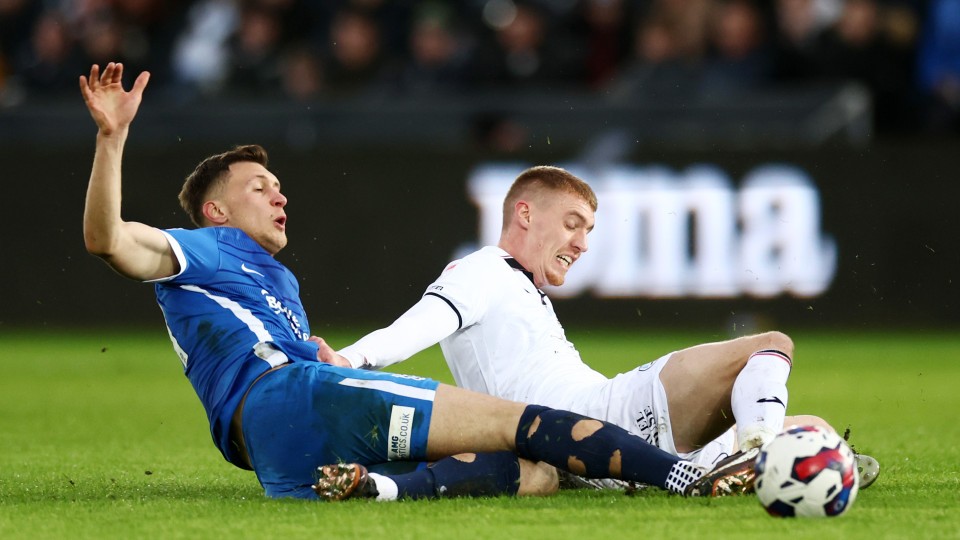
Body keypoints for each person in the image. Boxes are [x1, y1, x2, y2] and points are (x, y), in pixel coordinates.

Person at [78, 62, 763, 502]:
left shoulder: (269, 282)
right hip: (299, 399)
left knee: (535, 474)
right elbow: (108, 240)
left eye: (280, 185)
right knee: (529, 427)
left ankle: (376, 490)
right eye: (260, 187)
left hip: (278, 454)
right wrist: (112, 141)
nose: (279, 196)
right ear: (216, 210)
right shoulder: (206, 250)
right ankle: (683, 474)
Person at [318, 165, 880, 490]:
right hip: (606, 416)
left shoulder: (518, 286)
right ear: (525, 214)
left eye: (588, 230)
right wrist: (348, 359)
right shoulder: (483, 270)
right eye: (572, 224)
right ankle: (757, 455)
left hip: (591, 454)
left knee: (816, 430)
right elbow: (421, 323)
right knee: (772, 345)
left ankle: (734, 463)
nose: (582, 244)